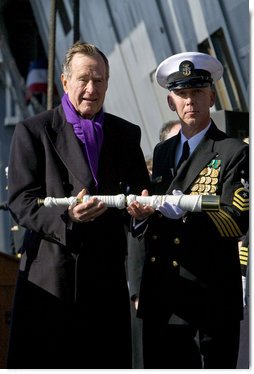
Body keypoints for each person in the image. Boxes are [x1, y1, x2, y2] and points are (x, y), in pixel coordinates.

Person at [6, 41, 150, 369]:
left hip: (106, 281)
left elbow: (141, 194)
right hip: (53, 281)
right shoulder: (34, 131)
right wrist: (67, 216)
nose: (91, 88)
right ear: (65, 81)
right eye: (83, 79)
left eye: (99, 81)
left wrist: (140, 215)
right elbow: (20, 201)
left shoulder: (126, 134)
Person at [127, 51, 249, 369]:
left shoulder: (233, 151)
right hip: (166, 296)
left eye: (197, 92)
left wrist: (182, 213)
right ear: (171, 102)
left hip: (210, 297)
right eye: (182, 94)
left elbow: (237, 220)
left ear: (211, 96)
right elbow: (152, 212)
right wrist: (143, 216)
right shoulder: (162, 151)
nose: (190, 101)